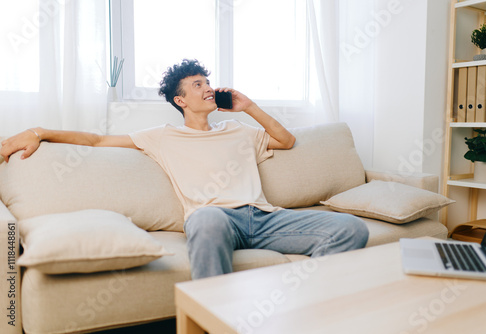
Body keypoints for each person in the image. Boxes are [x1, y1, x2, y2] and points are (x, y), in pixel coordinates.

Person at [0, 59, 369, 279]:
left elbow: (286, 141)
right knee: (206, 220)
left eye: (208, 82)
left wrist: (249, 106)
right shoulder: (163, 136)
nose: (208, 88)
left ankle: (312, 302)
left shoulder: (238, 130)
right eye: (198, 85)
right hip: (215, 219)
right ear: (181, 100)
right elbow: (97, 141)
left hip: (265, 218)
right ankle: (213, 320)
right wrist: (39, 132)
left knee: (351, 228)